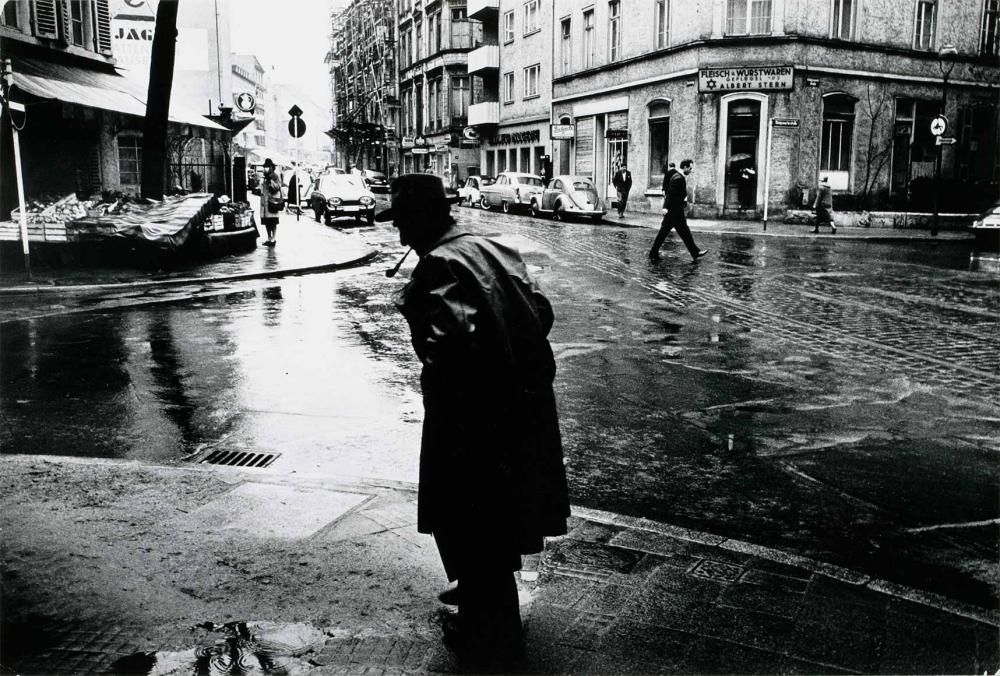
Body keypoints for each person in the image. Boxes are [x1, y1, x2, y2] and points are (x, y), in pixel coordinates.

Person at [378, 174, 570, 669]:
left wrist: (414, 312)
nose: (400, 236)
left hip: (472, 421)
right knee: (498, 520)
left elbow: (450, 348)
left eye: (402, 223)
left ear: (422, 220)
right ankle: (486, 611)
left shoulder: (439, 263)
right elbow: (540, 312)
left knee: (470, 521)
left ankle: (489, 634)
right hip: (519, 410)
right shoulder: (491, 245)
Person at [649, 159, 708, 262]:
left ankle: (694, 252)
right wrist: (665, 207)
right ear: (684, 167)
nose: (691, 170)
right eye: (690, 168)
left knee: (679, 233)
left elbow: (677, 194)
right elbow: (670, 194)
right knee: (680, 233)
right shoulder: (678, 178)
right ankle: (694, 252)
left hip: (675, 211)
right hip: (674, 212)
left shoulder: (678, 176)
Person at [260, 158, 283, 246]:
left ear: (271, 167)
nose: (266, 168)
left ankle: (273, 239)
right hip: (265, 203)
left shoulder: (275, 176)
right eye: (265, 167)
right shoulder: (264, 177)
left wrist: (271, 181)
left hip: (273, 202)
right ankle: (269, 238)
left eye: (268, 166)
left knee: (273, 222)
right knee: (266, 222)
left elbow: (277, 187)